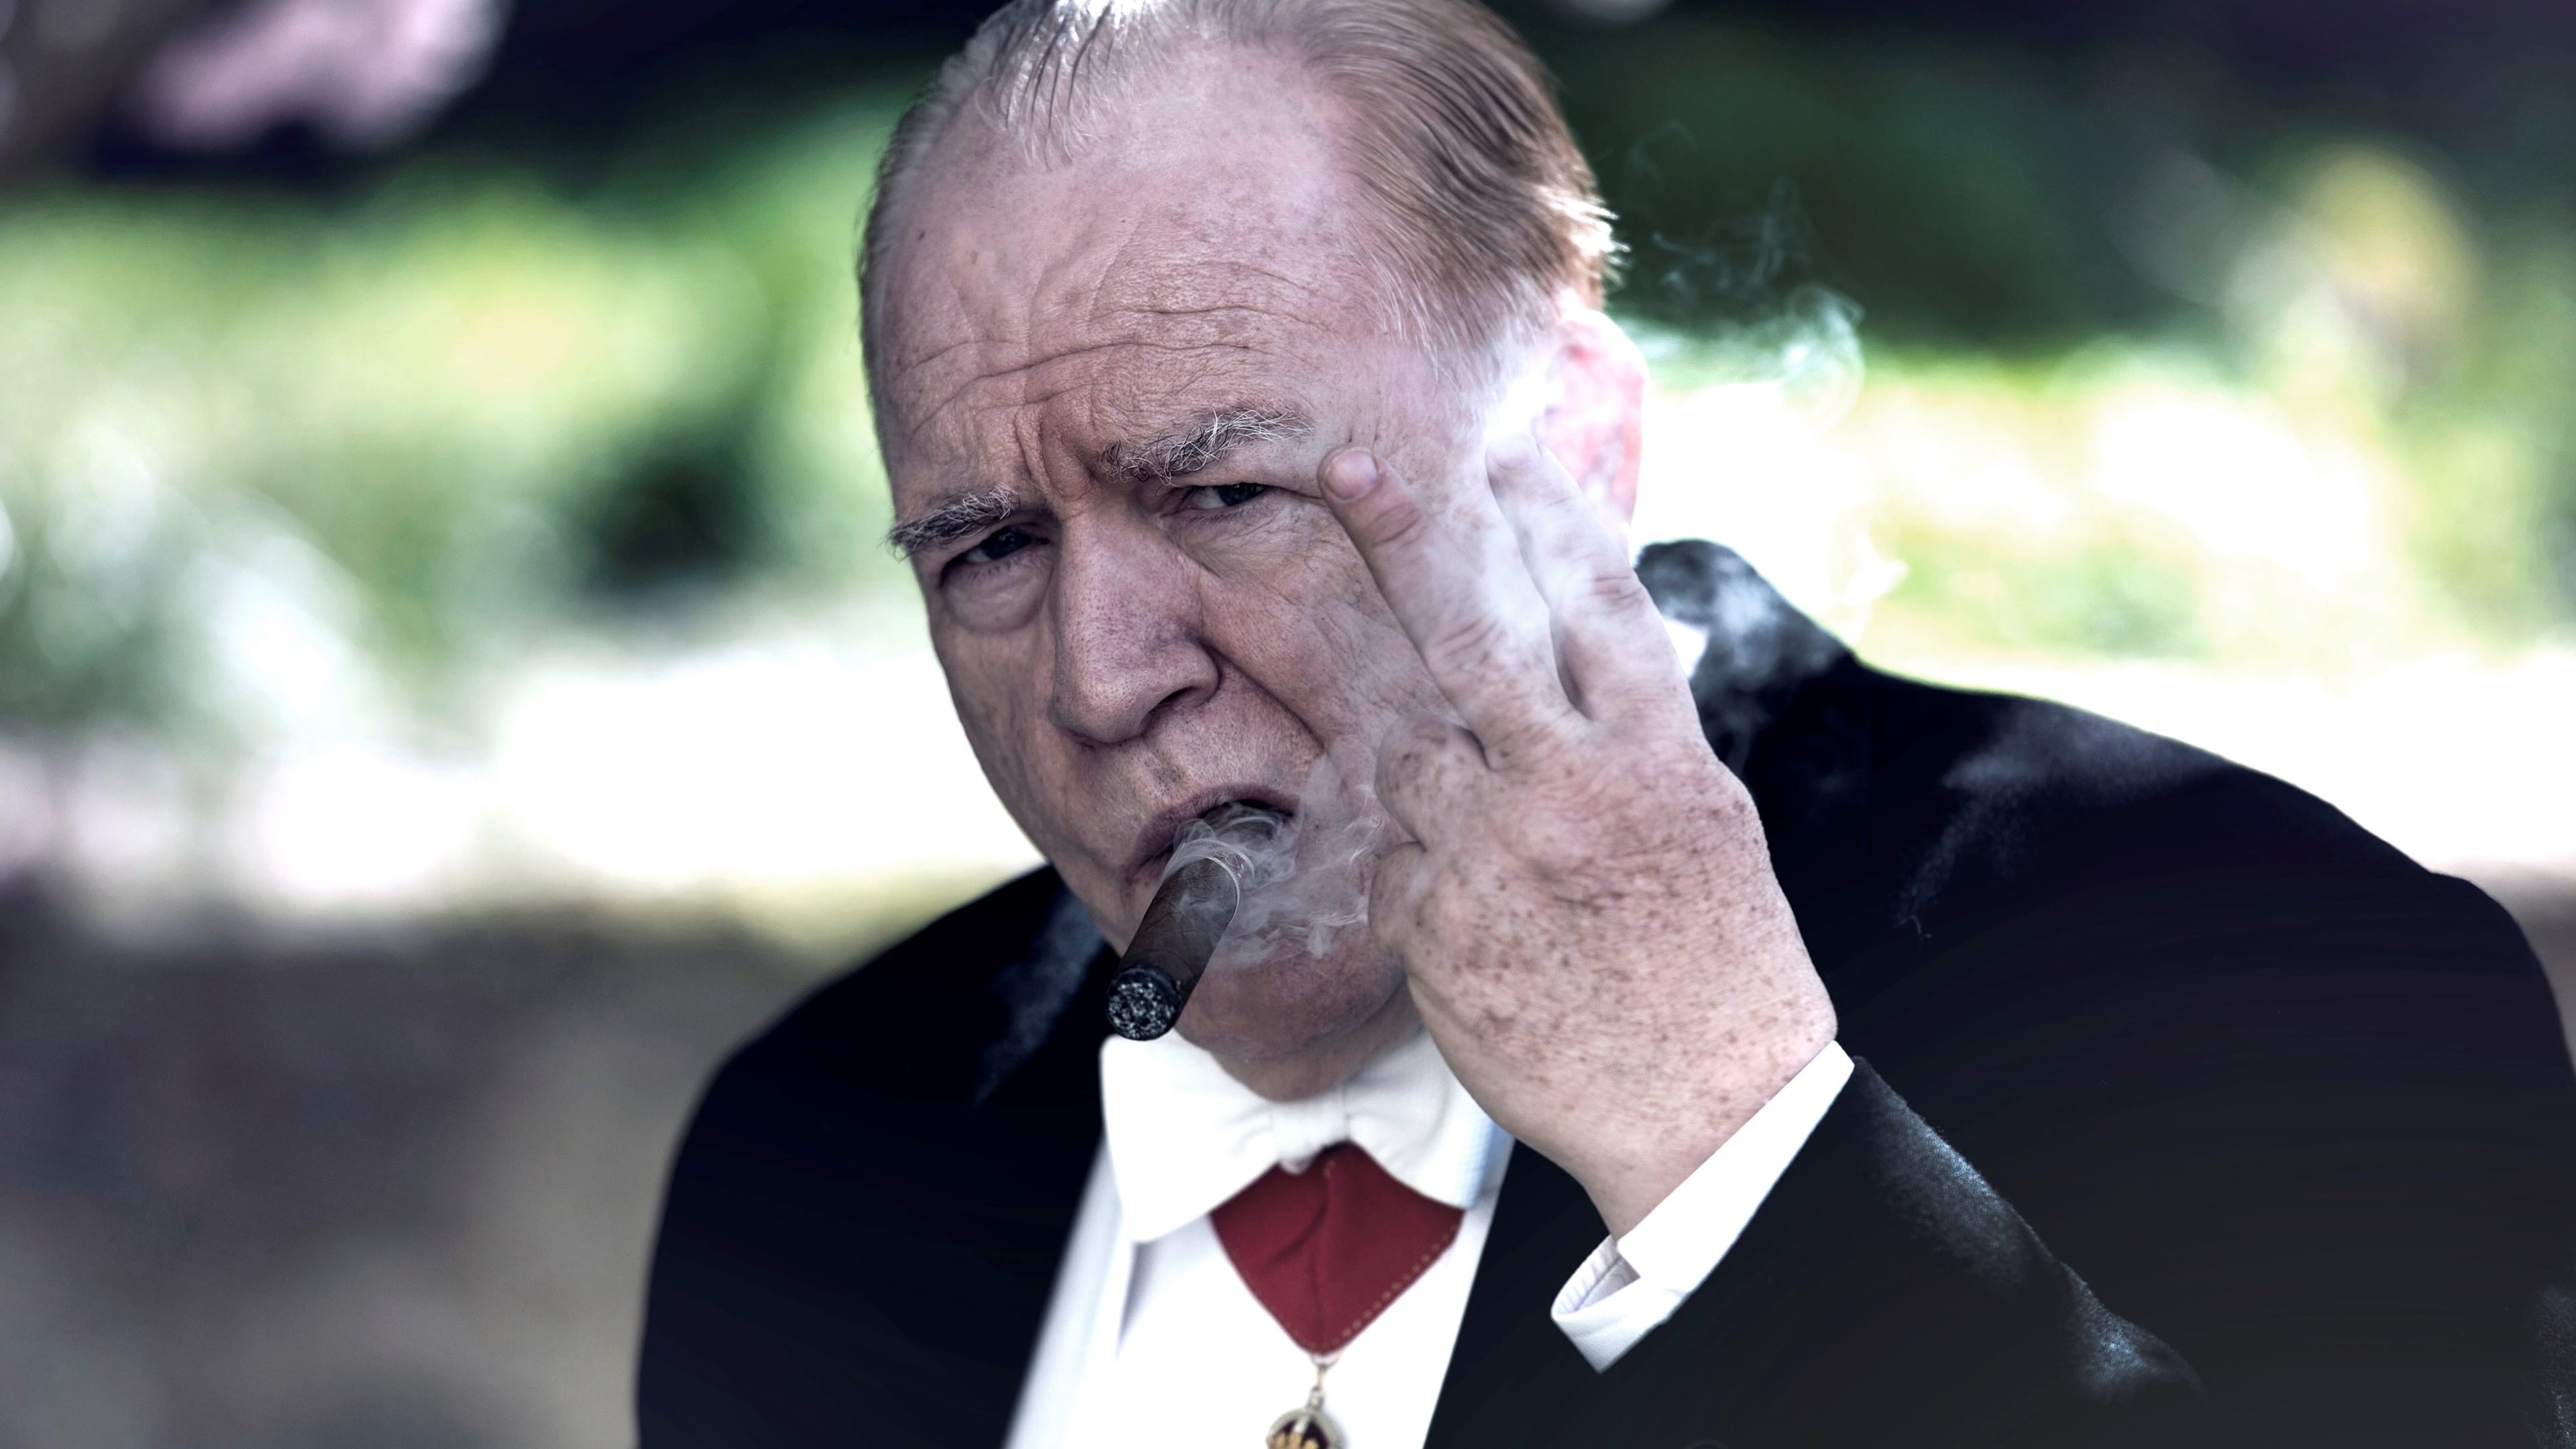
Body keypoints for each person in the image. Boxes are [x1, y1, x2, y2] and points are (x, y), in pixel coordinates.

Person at [633, 1, 2576, 1445]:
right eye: (989, 547)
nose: (1099, 677)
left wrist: (1736, 1153)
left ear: (1568, 448)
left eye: (1225, 491)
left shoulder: (2262, 977)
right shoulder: (813, 1164)